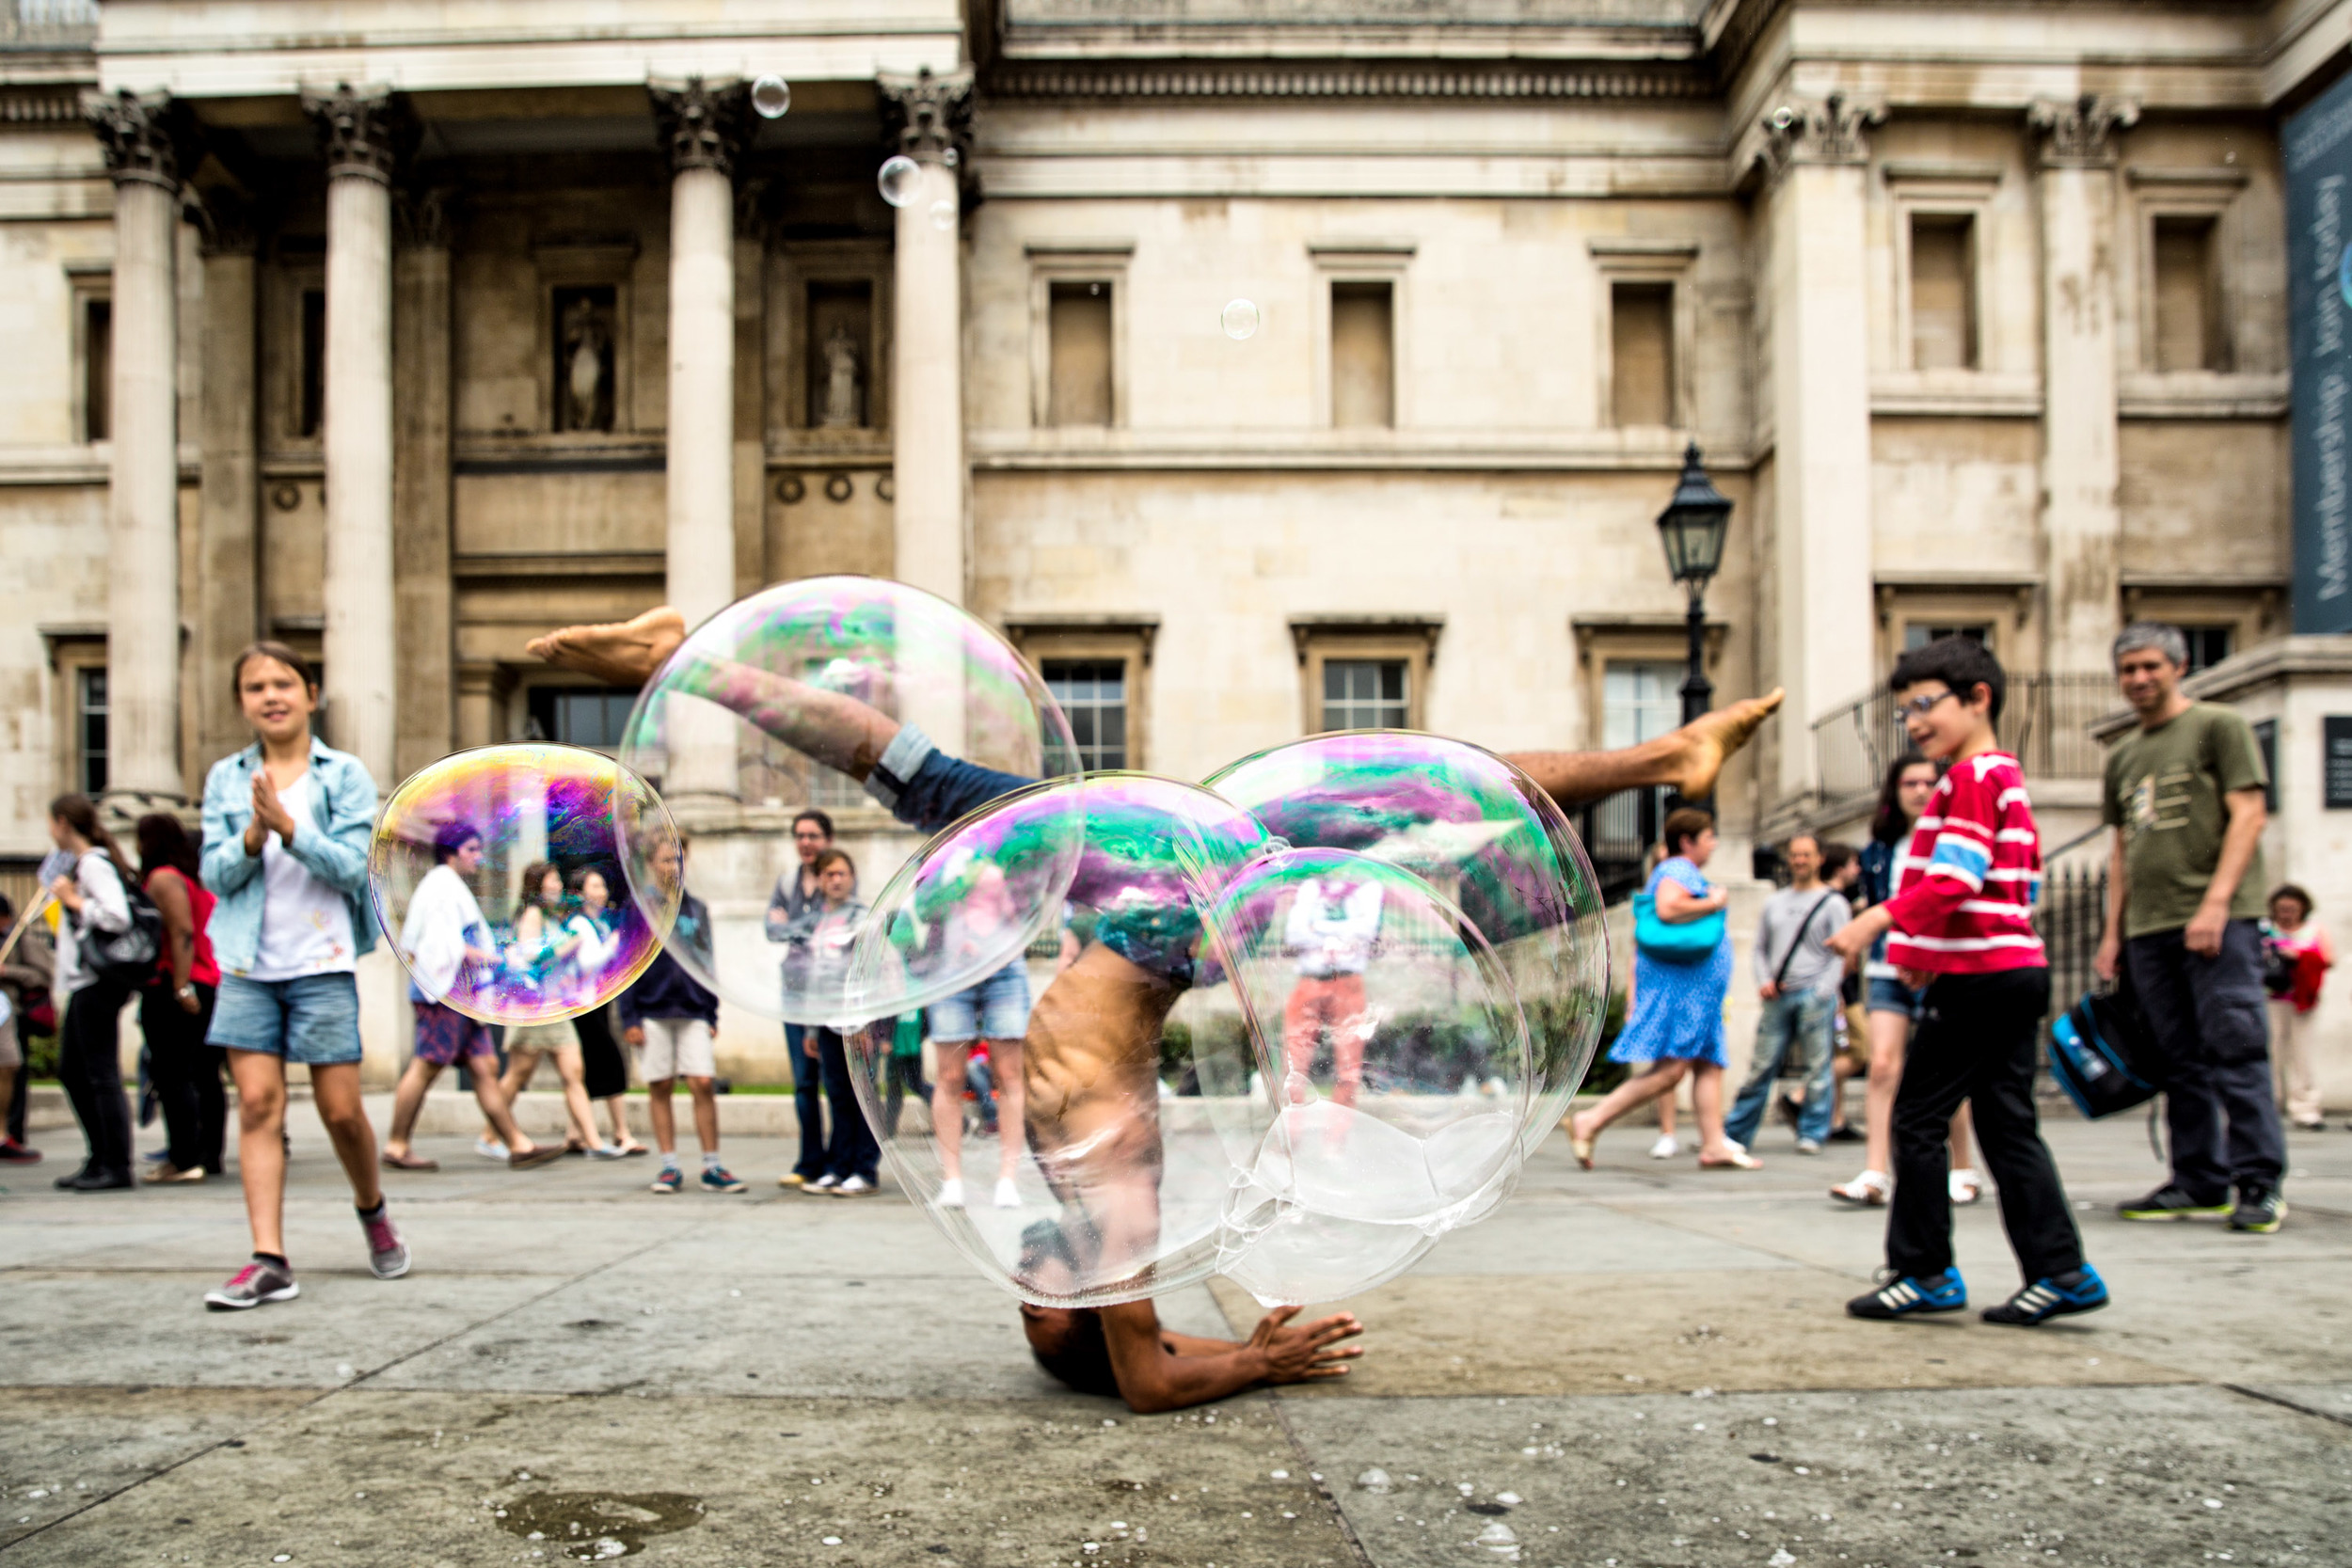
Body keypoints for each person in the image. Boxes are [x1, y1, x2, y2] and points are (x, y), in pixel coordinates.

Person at [1827, 636, 2104, 1325]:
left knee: (1917, 1118)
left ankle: (1924, 1271)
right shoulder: (2001, 777)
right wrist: (1924, 946)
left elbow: (1953, 880)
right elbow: (2009, 886)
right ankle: (2062, 1271)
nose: (1915, 722)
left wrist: (1875, 925)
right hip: (2009, 971)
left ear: (1978, 698)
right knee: (2008, 1126)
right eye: (1904, 712)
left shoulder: (1972, 778)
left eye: (1925, 704)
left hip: (1981, 980)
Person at [199, 641, 407, 1309]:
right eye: (256, 686)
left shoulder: (342, 774)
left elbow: (354, 868)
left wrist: (289, 827)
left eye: (283, 682)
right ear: (242, 701)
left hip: (320, 960)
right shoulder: (226, 779)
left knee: (341, 1111)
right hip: (246, 962)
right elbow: (214, 874)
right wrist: (251, 838)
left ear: (311, 694)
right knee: (259, 1105)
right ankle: (269, 1257)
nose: (271, 695)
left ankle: (371, 1206)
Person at [2096, 623, 2286, 1234]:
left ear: (2177, 667)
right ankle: (2198, 1177)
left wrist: (2217, 904)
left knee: (2235, 1047)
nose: (2139, 678)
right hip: (2148, 928)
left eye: (2150, 665)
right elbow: (2121, 846)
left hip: (2216, 921)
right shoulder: (2123, 754)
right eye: (2128, 669)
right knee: (2177, 1058)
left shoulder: (2217, 726)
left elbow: (2249, 814)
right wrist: (2111, 933)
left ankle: (2258, 1178)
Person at [1829, 753, 1979, 1209]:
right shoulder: (1879, 851)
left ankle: (1962, 1166)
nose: (1918, 791)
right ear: (1894, 792)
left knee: (1946, 1069)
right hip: (1887, 966)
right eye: (1909, 783)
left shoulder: (1951, 841)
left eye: (1928, 782)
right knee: (1882, 1066)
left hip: (1939, 965)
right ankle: (1876, 1171)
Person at [1565, 807, 1753, 1169]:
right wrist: (1714, 902)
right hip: (1682, 987)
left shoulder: (1680, 870)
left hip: (1695, 989)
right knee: (1671, 1070)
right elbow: (1667, 909)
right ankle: (1591, 1120)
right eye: (1709, 836)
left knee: (1708, 1064)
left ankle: (1714, 1144)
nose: (1713, 844)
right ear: (1687, 841)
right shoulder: (1676, 868)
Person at [382, 823, 564, 1173]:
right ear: (451, 852)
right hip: (445, 993)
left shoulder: (449, 886)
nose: (479, 858)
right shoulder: (440, 887)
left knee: (485, 1067)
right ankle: (396, 1144)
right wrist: (496, 959)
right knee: (427, 1064)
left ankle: (517, 1144)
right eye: (472, 850)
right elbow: (444, 945)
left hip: (463, 995)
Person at [617, 836, 745, 1195]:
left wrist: (712, 1012)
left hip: (692, 1009)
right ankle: (669, 1166)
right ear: (652, 865)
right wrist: (630, 1018)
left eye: (678, 859)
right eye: (666, 860)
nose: (673, 866)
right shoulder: (639, 908)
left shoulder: (696, 909)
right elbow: (625, 966)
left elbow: (707, 961)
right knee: (660, 1085)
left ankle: (712, 1165)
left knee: (702, 1082)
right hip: (652, 1010)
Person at [1722, 834, 1850, 1156]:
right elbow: (1760, 947)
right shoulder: (1774, 902)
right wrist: (1764, 980)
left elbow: (1843, 953)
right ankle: (1736, 1134)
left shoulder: (1834, 903)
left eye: (1806, 855)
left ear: (1820, 858)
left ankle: (1813, 1132)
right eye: (1794, 855)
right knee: (1760, 1067)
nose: (1799, 861)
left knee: (1818, 1068)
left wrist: (1824, 991)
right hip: (1778, 995)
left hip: (1815, 995)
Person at [46, 793, 138, 1191]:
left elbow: (119, 916)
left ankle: (115, 1163)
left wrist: (75, 902)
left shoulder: (94, 865)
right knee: (74, 1071)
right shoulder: (83, 865)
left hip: (96, 980)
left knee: (99, 1074)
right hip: (84, 980)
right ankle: (99, 1156)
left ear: (63, 822)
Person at [485, 862, 607, 1158]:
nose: (558, 886)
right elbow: (530, 957)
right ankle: (489, 1135)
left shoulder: (553, 919)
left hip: (553, 1005)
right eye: (551, 881)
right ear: (537, 886)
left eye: (557, 881)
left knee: (573, 1071)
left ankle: (594, 1141)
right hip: (534, 1007)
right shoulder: (533, 915)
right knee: (518, 1074)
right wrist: (564, 949)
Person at [782, 847, 882, 1195]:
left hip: (856, 1021)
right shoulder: (818, 922)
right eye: (829, 874)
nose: (835, 880)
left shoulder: (863, 917)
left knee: (863, 1096)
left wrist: (870, 1025)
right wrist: (810, 1026)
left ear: (851, 878)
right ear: (820, 880)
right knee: (837, 1095)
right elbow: (812, 977)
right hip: (825, 1019)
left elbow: (872, 974)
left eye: (841, 873)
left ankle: (865, 1169)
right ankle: (839, 1167)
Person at [135, 813, 224, 1184]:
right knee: (204, 1073)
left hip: (179, 981)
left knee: (171, 1073)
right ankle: (208, 1154)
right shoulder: (196, 882)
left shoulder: (164, 879)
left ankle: (184, 1157)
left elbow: (183, 932)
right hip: (209, 980)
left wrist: (181, 985)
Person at [768, 808, 834, 1189]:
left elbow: (826, 927)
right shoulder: (788, 881)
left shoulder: (835, 878)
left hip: (826, 992)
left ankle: (839, 1160)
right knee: (803, 1083)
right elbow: (768, 929)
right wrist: (798, 929)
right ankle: (810, 1161)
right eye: (800, 836)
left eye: (812, 835)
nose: (805, 842)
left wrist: (789, 926)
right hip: (793, 992)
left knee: (836, 1082)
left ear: (827, 840)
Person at [1279, 871, 1384, 1106]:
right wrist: (1343, 935)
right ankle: (1288, 1136)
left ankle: (1336, 1141)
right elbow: (1294, 933)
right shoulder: (1311, 886)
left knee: (1349, 1068)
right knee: (1294, 1064)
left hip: (1349, 982)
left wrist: (1316, 928)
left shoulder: (1368, 886)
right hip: (1310, 980)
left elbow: (1367, 931)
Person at [2261, 883, 2333, 1132]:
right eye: (2281, 909)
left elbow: (2328, 958)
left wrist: (2298, 956)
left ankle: (2305, 1108)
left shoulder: (2314, 929)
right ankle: (2269, 1106)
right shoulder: (2265, 930)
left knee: (2302, 1056)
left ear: (2302, 908)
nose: (2286, 913)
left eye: (2292, 908)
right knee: (2270, 1052)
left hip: (2303, 1001)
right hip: (2271, 999)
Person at [0, 892, 50, 1164]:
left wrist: (8, 972)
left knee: (12, 1074)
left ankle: (12, 1135)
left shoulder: (19, 939)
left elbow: (43, 975)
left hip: (10, 1013)